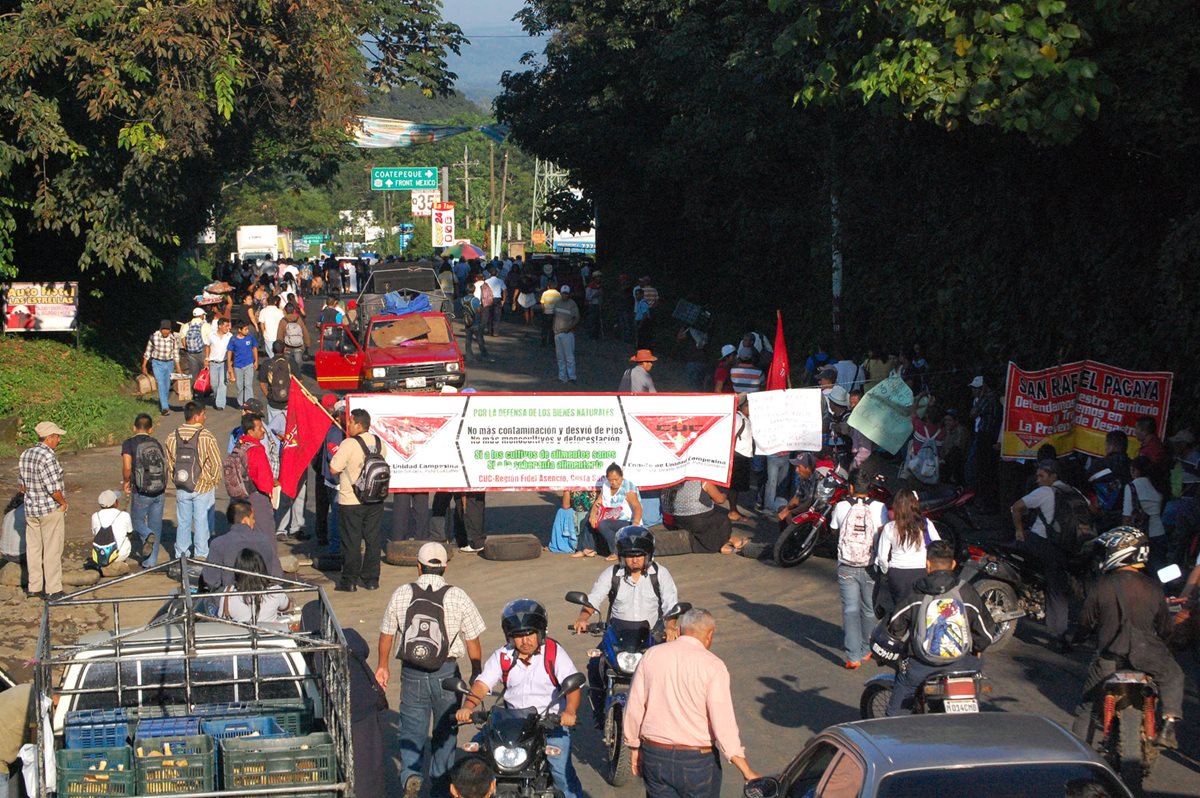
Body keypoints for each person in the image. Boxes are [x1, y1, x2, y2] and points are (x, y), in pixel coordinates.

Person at [377, 542, 486, 798]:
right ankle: (440, 787)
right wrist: (476, 671)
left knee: (412, 732)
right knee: (445, 734)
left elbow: (386, 634)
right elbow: (473, 642)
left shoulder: (402, 593)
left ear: (418, 566)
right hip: (448, 675)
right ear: (445, 567)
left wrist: (383, 666)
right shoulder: (457, 595)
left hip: (412, 673)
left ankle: (412, 776)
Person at [623, 608, 759, 797]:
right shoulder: (713, 665)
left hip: (655, 755)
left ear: (679, 630)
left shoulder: (651, 656)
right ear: (709, 635)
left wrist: (634, 746)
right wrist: (745, 768)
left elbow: (635, 706)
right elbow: (723, 722)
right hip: (697, 762)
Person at [1071, 527, 1184, 749]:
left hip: (1109, 657)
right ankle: (1168, 726)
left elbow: (1085, 622)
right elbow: (1165, 628)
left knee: (1088, 706)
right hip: (1148, 654)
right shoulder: (1153, 587)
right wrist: (1166, 646)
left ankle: (1080, 753)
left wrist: (1074, 639)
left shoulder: (1100, 585)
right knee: (1174, 674)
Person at [457, 600, 584, 798]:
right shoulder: (503, 656)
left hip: (549, 722)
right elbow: (482, 685)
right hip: (511, 722)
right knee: (473, 764)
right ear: (509, 637)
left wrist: (569, 711)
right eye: (518, 636)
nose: (525, 641)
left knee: (561, 772)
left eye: (529, 633)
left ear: (541, 632)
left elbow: (572, 687)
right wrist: (468, 706)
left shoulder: (554, 653)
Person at [882, 540, 997, 716]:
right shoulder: (966, 592)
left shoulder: (915, 593)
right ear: (953, 564)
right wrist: (978, 647)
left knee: (897, 710)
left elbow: (895, 626)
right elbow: (986, 630)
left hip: (921, 665)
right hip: (962, 664)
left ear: (927, 565)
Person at [573, 526, 680, 713]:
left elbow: (671, 605)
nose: (635, 559)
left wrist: (670, 627)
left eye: (639, 554)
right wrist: (583, 618)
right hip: (617, 636)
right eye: (630, 555)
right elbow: (594, 598)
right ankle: (600, 713)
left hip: (651, 636)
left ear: (649, 554)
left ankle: (665, 714)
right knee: (594, 666)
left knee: (671, 672)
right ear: (622, 556)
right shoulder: (612, 574)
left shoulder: (660, 574)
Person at [1011, 458, 1076, 652]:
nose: (1038, 479)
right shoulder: (1072, 492)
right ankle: (1060, 634)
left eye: (1042, 476)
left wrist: (1019, 530)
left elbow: (1016, 507)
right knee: (1058, 591)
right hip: (1067, 548)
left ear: (1053, 476)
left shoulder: (1045, 492)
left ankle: (1021, 595)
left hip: (1041, 544)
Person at [831, 473, 888, 668]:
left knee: (850, 609)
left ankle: (853, 656)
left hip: (846, 565)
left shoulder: (841, 506)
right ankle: (866, 649)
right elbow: (883, 534)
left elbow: (834, 530)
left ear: (851, 487)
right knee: (868, 608)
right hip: (870, 565)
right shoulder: (880, 507)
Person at [330, 408, 384, 592]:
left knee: (351, 542)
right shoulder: (378, 442)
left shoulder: (349, 443)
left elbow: (334, 469)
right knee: (373, 540)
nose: (349, 425)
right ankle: (371, 579)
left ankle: (350, 580)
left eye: (351, 422)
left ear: (359, 424)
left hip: (351, 500)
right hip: (375, 499)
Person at [165, 402, 223, 560]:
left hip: (182, 486)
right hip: (202, 488)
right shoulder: (206, 436)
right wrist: (211, 481)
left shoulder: (172, 436)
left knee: (183, 522)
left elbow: (171, 464)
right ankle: (201, 554)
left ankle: (181, 555)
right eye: (204, 414)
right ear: (196, 416)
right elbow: (216, 463)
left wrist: (177, 481)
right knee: (201, 522)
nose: (206, 417)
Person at [17, 421, 68, 600]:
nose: (59, 440)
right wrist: (63, 503)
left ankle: (34, 586)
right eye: (57, 437)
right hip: (49, 509)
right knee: (52, 549)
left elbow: (22, 486)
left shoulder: (25, 454)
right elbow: (53, 488)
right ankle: (53, 589)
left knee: (33, 549)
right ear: (49, 438)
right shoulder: (48, 457)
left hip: (31, 509)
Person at [875, 489, 940, 607]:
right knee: (920, 608)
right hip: (921, 572)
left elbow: (882, 557)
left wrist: (887, 572)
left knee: (901, 609)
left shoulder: (890, 527)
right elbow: (938, 545)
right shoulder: (925, 524)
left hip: (897, 575)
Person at [202, 500, 282, 590]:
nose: (254, 521)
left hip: (229, 597)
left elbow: (210, 580)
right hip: (261, 595)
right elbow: (277, 575)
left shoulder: (218, 543)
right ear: (245, 520)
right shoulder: (264, 540)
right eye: (252, 518)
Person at [121, 413, 164, 568]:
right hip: (159, 490)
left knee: (136, 521)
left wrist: (126, 482)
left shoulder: (129, 443)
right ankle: (151, 562)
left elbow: (127, 467)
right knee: (156, 524)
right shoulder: (156, 443)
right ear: (151, 429)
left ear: (134, 427)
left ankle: (147, 535)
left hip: (141, 490)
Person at [229, 413, 279, 539]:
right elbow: (262, 478)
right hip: (256, 496)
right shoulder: (256, 449)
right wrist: (270, 490)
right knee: (265, 534)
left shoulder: (239, 445)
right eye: (260, 428)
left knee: (242, 536)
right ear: (251, 431)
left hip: (239, 494)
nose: (263, 430)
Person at [660, 480, 742, 554]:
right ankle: (720, 544)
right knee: (723, 521)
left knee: (705, 523)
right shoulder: (702, 482)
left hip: (674, 519)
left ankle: (724, 541)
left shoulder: (670, 480)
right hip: (697, 520)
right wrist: (724, 493)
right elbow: (720, 500)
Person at [219, 548, 290, 624]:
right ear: (262, 567)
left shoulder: (229, 592)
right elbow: (285, 607)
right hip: (271, 633)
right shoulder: (275, 590)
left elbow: (222, 617)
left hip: (242, 634)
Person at [588, 464, 643, 558]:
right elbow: (597, 503)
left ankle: (616, 551)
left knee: (603, 524)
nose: (613, 482)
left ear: (622, 477)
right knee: (588, 517)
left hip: (628, 522)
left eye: (616, 479)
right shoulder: (605, 485)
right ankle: (587, 548)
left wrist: (636, 523)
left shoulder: (628, 487)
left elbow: (637, 507)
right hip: (610, 518)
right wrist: (593, 514)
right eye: (610, 480)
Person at [1124, 455, 1169, 570]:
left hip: (1141, 537)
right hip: (1160, 533)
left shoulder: (1132, 486)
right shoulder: (1158, 484)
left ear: (1136, 470)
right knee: (1158, 573)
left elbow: (1127, 517)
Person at [967, 375, 1003, 512]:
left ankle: (987, 504)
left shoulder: (987, 398)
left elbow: (973, 414)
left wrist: (980, 397)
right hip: (989, 436)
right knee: (986, 471)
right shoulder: (993, 398)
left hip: (987, 437)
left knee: (984, 471)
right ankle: (987, 502)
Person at [142, 319, 181, 416]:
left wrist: (178, 368)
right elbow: (148, 351)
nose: (165, 331)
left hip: (169, 363)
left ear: (170, 330)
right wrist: (144, 365)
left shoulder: (173, 339)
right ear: (160, 329)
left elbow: (176, 354)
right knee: (160, 383)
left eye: (167, 329)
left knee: (167, 385)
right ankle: (164, 407)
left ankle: (164, 402)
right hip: (157, 363)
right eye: (163, 329)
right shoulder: (154, 337)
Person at [90, 490, 135, 568]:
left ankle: (106, 562)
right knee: (127, 537)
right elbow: (130, 533)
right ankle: (120, 562)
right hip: (121, 554)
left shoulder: (95, 516)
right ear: (115, 503)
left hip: (100, 555)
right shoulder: (124, 515)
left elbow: (95, 534)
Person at [257, 341, 293, 429]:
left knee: (273, 429)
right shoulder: (290, 362)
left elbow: (262, 383)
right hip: (289, 403)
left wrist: (268, 396)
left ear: (272, 350)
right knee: (289, 428)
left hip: (273, 403)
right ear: (285, 349)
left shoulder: (266, 364)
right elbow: (299, 380)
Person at [776, 452, 819, 523]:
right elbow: (796, 497)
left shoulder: (817, 480)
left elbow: (809, 503)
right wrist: (785, 510)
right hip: (803, 506)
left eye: (799, 467)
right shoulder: (804, 477)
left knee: (789, 516)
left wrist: (790, 512)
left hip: (813, 510)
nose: (796, 470)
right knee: (781, 509)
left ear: (807, 468)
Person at [228, 319, 259, 408]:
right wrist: (230, 366)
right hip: (238, 365)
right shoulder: (233, 339)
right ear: (239, 330)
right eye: (245, 329)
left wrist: (256, 360)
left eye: (247, 329)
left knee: (248, 384)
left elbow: (254, 348)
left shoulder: (250, 337)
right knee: (239, 385)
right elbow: (230, 351)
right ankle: (241, 403)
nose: (247, 331)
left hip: (249, 364)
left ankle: (249, 403)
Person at [204, 317, 233, 410]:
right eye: (225, 326)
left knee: (223, 383)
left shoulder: (230, 336)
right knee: (214, 384)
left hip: (224, 362)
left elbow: (232, 350)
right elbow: (207, 346)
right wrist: (207, 358)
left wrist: (231, 363)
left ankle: (220, 404)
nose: (227, 328)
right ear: (220, 326)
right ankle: (217, 396)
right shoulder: (211, 335)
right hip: (213, 362)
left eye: (228, 326)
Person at [553, 284, 580, 383]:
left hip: (567, 333)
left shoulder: (572, 304)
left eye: (566, 294)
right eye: (563, 293)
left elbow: (577, 318)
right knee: (560, 357)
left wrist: (569, 328)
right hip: (557, 333)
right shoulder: (557, 303)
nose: (565, 295)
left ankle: (572, 377)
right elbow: (555, 316)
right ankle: (562, 377)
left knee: (569, 357)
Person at [462, 274, 490, 362]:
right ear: (474, 290)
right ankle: (484, 355)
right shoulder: (475, 300)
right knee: (480, 339)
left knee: (468, 340)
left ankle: (469, 356)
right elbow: (478, 310)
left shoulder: (463, 299)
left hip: (467, 321)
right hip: (475, 322)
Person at [277, 301, 309, 373]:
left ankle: (289, 374)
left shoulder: (283, 321)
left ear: (285, 311)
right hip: (298, 345)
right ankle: (297, 374)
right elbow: (305, 332)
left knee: (287, 362)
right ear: (294, 310)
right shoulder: (299, 319)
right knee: (298, 361)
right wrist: (307, 344)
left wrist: (280, 347)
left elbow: (280, 335)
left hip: (287, 346)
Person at [182, 308, 208, 386]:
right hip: (202, 351)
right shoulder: (205, 325)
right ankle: (203, 390)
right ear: (201, 315)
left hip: (190, 352)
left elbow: (183, 338)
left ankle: (193, 390)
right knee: (204, 372)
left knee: (193, 372)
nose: (204, 316)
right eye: (203, 314)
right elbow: (209, 340)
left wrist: (187, 347)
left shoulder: (187, 325)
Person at [539, 279, 561, 347]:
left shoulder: (545, 293)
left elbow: (542, 303)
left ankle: (543, 341)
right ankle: (552, 342)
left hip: (546, 312)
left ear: (548, 286)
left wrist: (543, 311)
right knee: (553, 328)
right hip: (554, 314)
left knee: (544, 328)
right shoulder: (558, 294)